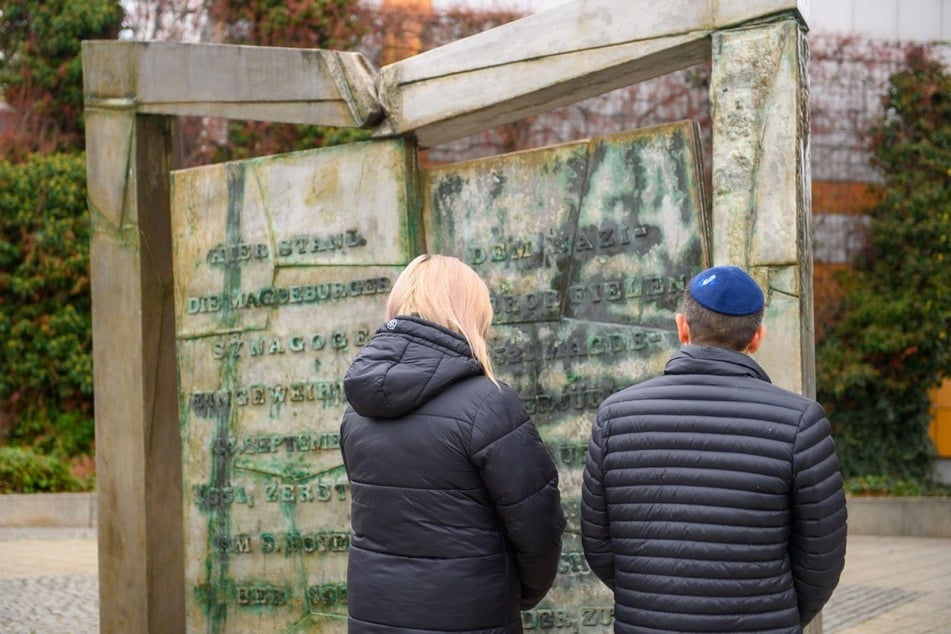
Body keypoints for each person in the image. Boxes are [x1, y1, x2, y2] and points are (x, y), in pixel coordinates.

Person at [581, 265, 847, 634]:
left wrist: (654, 602)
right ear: (757, 338)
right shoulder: (801, 421)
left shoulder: (614, 416)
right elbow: (822, 557)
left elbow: (598, 543)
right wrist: (776, 614)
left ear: (682, 328)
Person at [340, 253, 566, 633]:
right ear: (469, 311)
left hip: (375, 615)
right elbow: (538, 523)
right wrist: (519, 593)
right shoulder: (489, 404)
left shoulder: (356, 411)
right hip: (470, 615)